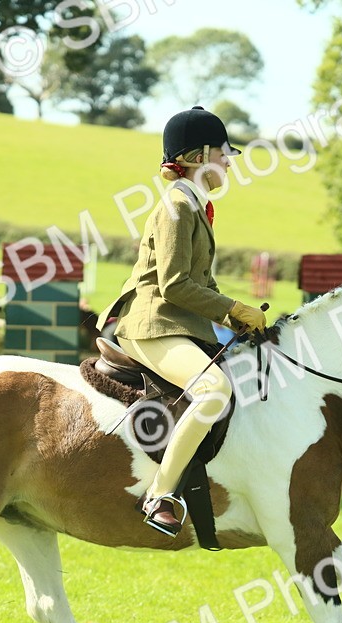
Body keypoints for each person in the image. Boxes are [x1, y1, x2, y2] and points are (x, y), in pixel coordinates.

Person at [99, 105, 264, 537]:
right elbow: (173, 285)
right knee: (214, 391)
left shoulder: (195, 206)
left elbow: (200, 282)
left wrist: (238, 315)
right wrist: (231, 309)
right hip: (152, 322)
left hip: (181, 324)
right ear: (198, 157)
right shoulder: (176, 207)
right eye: (224, 152)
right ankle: (160, 494)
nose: (229, 161)